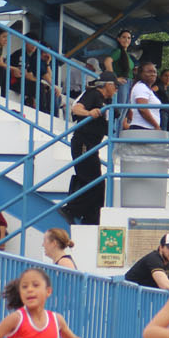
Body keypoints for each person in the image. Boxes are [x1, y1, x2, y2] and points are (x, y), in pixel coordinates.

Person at [64, 72, 118, 226]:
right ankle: (71, 210)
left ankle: (91, 220)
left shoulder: (105, 102)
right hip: (83, 143)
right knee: (93, 182)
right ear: (107, 84)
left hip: (92, 146)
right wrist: (89, 113)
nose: (116, 90)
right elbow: (76, 108)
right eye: (115, 86)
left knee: (98, 185)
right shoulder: (93, 94)